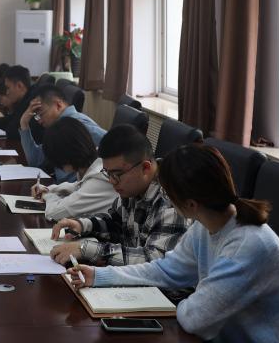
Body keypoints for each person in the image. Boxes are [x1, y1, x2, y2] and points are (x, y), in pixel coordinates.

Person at [67, 144, 279, 343]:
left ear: (190, 204)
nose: (164, 197)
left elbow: (195, 319)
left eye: (167, 193)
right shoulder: (206, 225)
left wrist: (192, 301)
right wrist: (99, 276)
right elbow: (165, 270)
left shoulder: (246, 247)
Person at [49, 124, 188, 267]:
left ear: (145, 168)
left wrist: (86, 249)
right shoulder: (133, 188)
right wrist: (82, 225)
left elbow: (154, 261)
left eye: (116, 174)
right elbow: (115, 223)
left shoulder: (171, 200)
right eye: (107, 173)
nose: (111, 181)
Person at [30, 118, 116, 221]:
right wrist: (50, 189)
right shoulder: (94, 163)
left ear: (65, 156)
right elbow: (77, 187)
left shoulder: (99, 178)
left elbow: (54, 213)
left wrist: (47, 195)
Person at [19, 85, 106, 181]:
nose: (39, 121)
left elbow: (110, 142)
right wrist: (24, 123)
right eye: (36, 117)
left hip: (80, 187)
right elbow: (36, 160)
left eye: (41, 114)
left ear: (58, 105)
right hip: (64, 186)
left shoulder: (78, 124)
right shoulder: (58, 129)